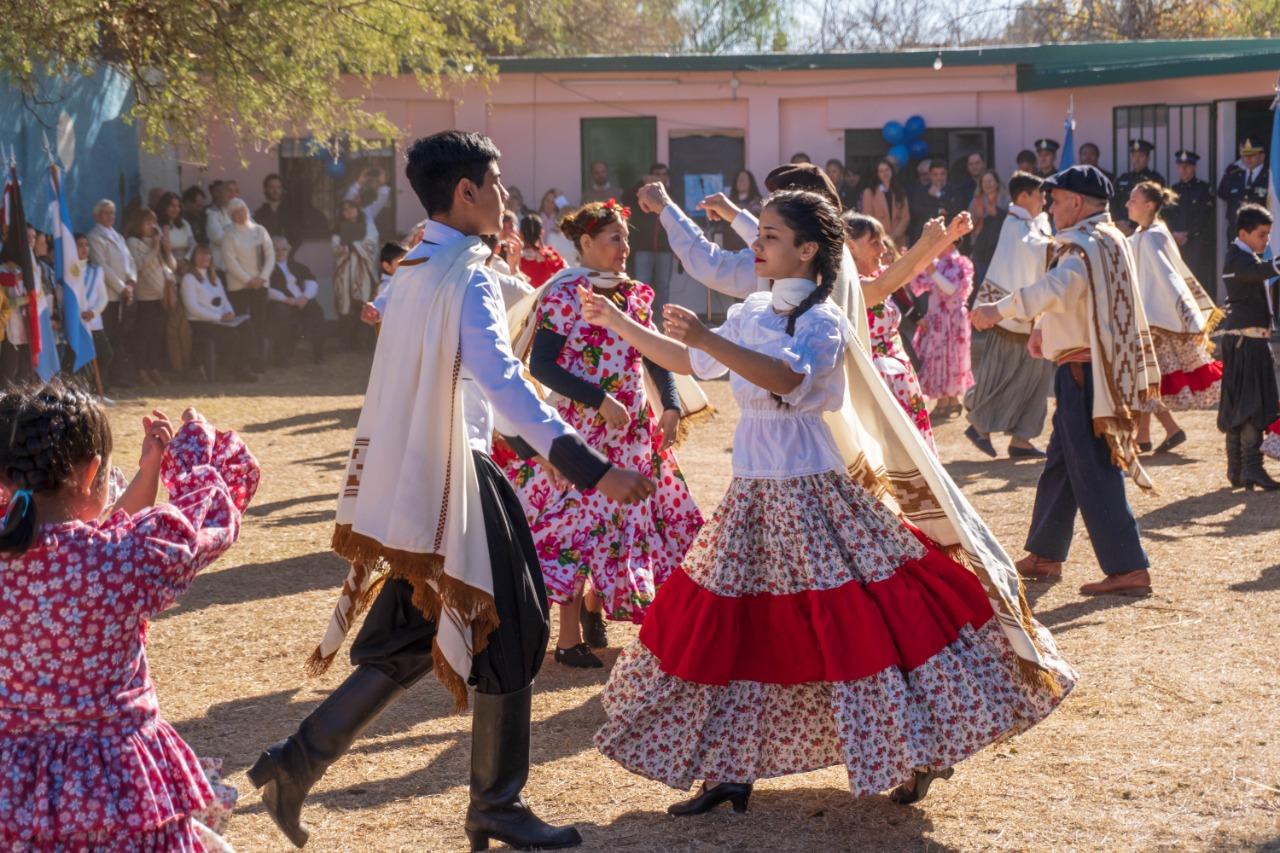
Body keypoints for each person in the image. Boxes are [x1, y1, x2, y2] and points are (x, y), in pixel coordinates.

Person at [588, 188, 1074, 817]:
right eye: (759, 233)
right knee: (737, 625)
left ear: (808, 250)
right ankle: (730, 768)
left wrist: (710, 336)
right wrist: (621, 325)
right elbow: (691, 360)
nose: (756, 245)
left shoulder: (824, 321)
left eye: (768, 236)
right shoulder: (755, 311)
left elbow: (788, 380)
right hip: (754, 492)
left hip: (813, 491)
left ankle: (918, 748)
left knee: (861, 621)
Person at [247, 130, 657, 852]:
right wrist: (589, 464)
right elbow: (501, 382)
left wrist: (553, 440)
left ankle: (295, 764)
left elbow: (494, 366)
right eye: (496, 186)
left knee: (411, 636)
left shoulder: (415, 267)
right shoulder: (461, 273)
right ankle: (496, 803)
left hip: (417, 481)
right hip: (455, 481)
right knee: (515, 624)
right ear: (466, 192)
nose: (505, 201)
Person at [0, 386, 259, 851]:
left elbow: (90, 528)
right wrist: (190, 459)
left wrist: (148, 472)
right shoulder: (120, 560)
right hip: (118, 786)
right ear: (91, 471)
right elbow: (206, 519)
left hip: (13, 789)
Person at [503, 200, 702, 668]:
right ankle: (568, 641)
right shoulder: (565, 293)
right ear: (587, 243)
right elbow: (543, 364)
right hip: (583, 431)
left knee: (632, 523)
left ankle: (596, 609)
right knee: (574, 526)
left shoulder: (634, 295)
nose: (624, 247)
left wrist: (670, 405)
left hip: (632, 429)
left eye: (626, 238)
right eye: (614, 238)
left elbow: (653, 355)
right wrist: (598, 400)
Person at [971, 165, 1159, 597]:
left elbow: (1058, 287)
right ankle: (1045, 553)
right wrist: (1044, 330)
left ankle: (1128, 566)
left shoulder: (1083, 245)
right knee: (1061, 465)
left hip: (1085, 374)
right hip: (1089, 369)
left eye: (1055, 201)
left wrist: (998, 310)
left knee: (1092, 469)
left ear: (1076, 202)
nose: (1050, 208)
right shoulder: (1108, 239)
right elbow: (1079, 300)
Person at [846, 212, 971, 448]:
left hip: (898, 382)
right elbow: (881, 287)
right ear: (850, 247)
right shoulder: (848, 284)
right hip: (874, 387)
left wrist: (950, 237)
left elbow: (914, 269)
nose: (883, 249)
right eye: (874, 243)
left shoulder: (874, 275)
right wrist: (925, 241)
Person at [964, 171, 1056, 459]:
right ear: (1024, 196)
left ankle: (1022, 439)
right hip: (1008, 316)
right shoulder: (1015, 224)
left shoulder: (1035, 223)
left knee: (1036, 378)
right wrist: (1064, 246)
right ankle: (979, 424)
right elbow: (1035, 251)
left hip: (1031, 314)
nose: (1044, 200)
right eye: (1039, 194)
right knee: (1000, 374)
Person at [1126, 181, 1223, 453]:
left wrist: (1184, 314)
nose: (1127, 204)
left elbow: (1169, 277)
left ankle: (1153, 433)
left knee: (1144, 377)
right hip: (1148, 320)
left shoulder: (1153, 236)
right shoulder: (1141, 235)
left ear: (1149, 205)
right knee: (1145, 378)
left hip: (1155, 322)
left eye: (1133, 200)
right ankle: (1156, 433)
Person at [1217, 203, 1280, 490]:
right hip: (1247, 343)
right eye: (1262, 235)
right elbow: (1259, 273)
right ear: (1243, 233)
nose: (1265, 241)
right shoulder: (1237, 260)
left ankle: (1238, 468)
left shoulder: (1243, 258)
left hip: (1246, 340)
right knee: (1252, 405)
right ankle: (1249, 468)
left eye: (1268, 235)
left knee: (1238, 404)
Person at [909, 245, 975, 419]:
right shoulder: (936, 263)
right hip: (937, 317)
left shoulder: (961, 262)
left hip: (953, 319)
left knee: (951, 358)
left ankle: (948, 401)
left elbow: (952, 289)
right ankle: (949, 401)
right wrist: (912, 263)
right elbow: (917, 286)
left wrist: (932, 271)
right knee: (939, 357)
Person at [182, 244, 255, 382]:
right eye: (200, 254)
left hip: (220, 320)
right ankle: (231, 369)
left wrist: (230, 313)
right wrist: (219, 317)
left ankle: (243, 368)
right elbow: (192, 308)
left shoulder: (215, 278)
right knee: (232, 335)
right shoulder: (189, 279)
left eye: (207, 254)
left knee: (247, 327)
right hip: (201, 323)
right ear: (193, 258)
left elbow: (224, 301)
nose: (205, 257)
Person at [88, 199, 137, 387]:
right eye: (106, 213)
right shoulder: (95, 237)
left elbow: (130, 261)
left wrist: (131, 281)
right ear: (97, 215)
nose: (110, 217)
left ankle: (119, 376)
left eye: (112, 213)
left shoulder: (118, 236)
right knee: (107, 337)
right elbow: (102, 266)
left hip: (125, 294)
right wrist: (122, 287)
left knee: (120, 337)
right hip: (108, 294)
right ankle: (104, 380)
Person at [221, 198, 274, 369]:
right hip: (239, 287)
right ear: (231, 216)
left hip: (260, 284)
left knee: (260, 323)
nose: (240, 214)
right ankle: (244, 362)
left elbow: (270, 255)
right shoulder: (229, 235)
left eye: (242, 210)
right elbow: (231, 262)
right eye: (235, 212)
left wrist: (262, 277)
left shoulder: (260, 230)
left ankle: (259, 361)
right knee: (244, 325)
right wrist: (248, 280)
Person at [126, 208, 176, 386]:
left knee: (157, 335)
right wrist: (155, 248)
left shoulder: (157, 242)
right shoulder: (133, 242)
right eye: (147, 222)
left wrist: (167, 250)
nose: (152, 226)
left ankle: (154, 368)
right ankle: (141, 370)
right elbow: (138, 265)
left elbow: (171, 266)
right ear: (139, 224)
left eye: (153, 222)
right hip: (146, 295)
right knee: (144, 336)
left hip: (162, 295)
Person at [625, 163, 675, 317]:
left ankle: (662, 319)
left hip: (665, 248)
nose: (660, 177)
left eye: (663, 174)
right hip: (643, 247)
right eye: (656, 174)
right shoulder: (641, 194)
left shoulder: (672, 194)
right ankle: (641, 317)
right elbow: (626, 198)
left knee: (663, 286)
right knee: (641, 284)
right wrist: (642, 183)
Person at [267, 235, 326, 365]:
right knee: (280, 312)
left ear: (288, 250)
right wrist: (285, 299)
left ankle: (319, 354)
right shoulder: (267, 269)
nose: (280, 252)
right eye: (276, 249)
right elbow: (267, 289)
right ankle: (282, 356)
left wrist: (305, 297)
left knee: (316, 311)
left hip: (301, 300)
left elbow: (312, 282)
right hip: (282, 302)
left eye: (283, 249)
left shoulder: (297, 266)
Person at [155, 191, 195, 374]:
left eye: (178, 206)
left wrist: (186, 260)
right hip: (168, 275)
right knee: (171, 323)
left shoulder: (184, 224)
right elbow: (160, 252)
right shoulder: (158, 226)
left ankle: (185, 363)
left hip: (185, 271)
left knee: (183, 322)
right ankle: (175, 365)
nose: (175, 209)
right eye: (171, 205)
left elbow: (192, 244)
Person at [332, 197, 379, 349]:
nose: (349, 212)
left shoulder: (367, 226)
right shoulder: (338, 228)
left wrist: (353, 244)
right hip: (345, 271)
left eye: (352, 208)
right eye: (345, 209)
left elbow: (372, 242)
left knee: (363, 303)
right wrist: (348, 247)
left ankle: (363, 342)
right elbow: (336, 246)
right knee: (345, 304)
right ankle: (346, 342)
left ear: (358, 210)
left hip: (362, 271)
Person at [1166, 150, 1216, 290]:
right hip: (1176, 242)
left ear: (1194, 167)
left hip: (1195, 242)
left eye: (1187, 166)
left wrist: (1188, 234)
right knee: (1177, 279)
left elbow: (1204, 216)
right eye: (1180, 166)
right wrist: (1174, 234)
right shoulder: (1173, 190)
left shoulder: (1203, 189)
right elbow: (1166, 215)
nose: (1183, 169)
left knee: (1197, 280)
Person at [74, 233, 113, 385]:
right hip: (78, 322)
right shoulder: (69, 272)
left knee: (106, 354)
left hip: (94, 322)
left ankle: (97, 389)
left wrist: (94, 312)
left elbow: (103, 297)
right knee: (84, 359)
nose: (84, 248)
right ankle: (86, 391)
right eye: (80, 245)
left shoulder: (96, 271)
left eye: (86, 245)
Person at [1112, 139, 1166, 234]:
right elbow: (1113, 201)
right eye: (1134, 156)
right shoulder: (1122, 178)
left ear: (1148, 158)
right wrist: (1118, 221)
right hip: (1121, 229)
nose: (1136, 160)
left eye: (1140, 156)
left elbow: (1159, 206)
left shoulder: (1155, 179)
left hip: (1144, 230)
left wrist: (1136, 227)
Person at [1217, 139, 1269, 236]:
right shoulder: (1234, 174)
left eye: (1252, 155)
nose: (1248, 158)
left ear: (1262, 156)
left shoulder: (1270, 177)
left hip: (1260, 236)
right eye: (1245, 155)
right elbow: (1222, 193)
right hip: (1236, 233)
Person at [861, 157, 910, 248]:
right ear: (877, 174)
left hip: (898, 240)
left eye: (887, 170)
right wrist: (882, 236)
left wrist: (894, 236)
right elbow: (868, 217)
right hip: (879, 239)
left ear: (892, 171)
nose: (885, 173)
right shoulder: (869, 192)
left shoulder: (900, 191)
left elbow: (905, 217)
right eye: (881, 171)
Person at [909, 159, 959, 244]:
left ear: (946, 174)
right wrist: (937, 209)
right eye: (935, 175)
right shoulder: (922, 191)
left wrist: (938, 196)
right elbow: (917, 210)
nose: (939, 177)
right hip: (927, 238)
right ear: (930, 175)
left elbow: (955, 209)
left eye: (942, 174)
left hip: (948, 236)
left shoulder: (955, 190)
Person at [362, 241, 410, 326]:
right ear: (387, 266)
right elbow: (383, 300)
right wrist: (376, 310)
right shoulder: (387, 286)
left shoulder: (403, 282)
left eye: (408, 260)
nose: (408, 264)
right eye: (402, 261)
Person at [516, 214, 566, 287]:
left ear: (520, 234)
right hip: (546, 297)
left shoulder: (514, 257)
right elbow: (564, 275)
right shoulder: (551, 256)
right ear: (542, 232)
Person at [205, 179, 238, 276]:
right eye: (229, 190)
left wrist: (227, 230)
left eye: (235, 191)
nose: (232, 194)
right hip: (220, 267)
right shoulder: (213, 213)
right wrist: (239, 233)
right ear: (221, 193)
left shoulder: (244, 213)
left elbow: (252, 234)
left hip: (240, 267)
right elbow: (218, 237)